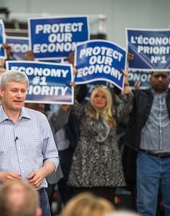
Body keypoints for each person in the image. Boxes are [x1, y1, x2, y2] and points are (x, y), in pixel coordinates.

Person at [0, 70, 59, 216]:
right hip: (3, 201)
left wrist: (42, 172)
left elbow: (53, 157)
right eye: (14, 90)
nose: (19, 95)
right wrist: (0, 176)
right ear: (1, 91)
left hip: (37, 198)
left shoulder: (40, 120)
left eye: (23, 91)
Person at [67, 74, 133, 204]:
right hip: (85, 171)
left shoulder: (114, 114)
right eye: (96, 95)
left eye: (103, 96)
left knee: (106, 208)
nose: (99, 99)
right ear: (91, 97)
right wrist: (74, 81)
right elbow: (70, 100)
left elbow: (128, 104)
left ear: (108, 99)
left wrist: (125, 84)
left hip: (108, 171)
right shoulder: (82, 112)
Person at [123, 71, 170, 216]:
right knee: (145, 206)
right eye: (156, 76)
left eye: (164, 76)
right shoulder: (139, 96)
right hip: (147, 158)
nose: (160, 79)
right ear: (150, 79)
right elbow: (122, 102)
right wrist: (124, 82)